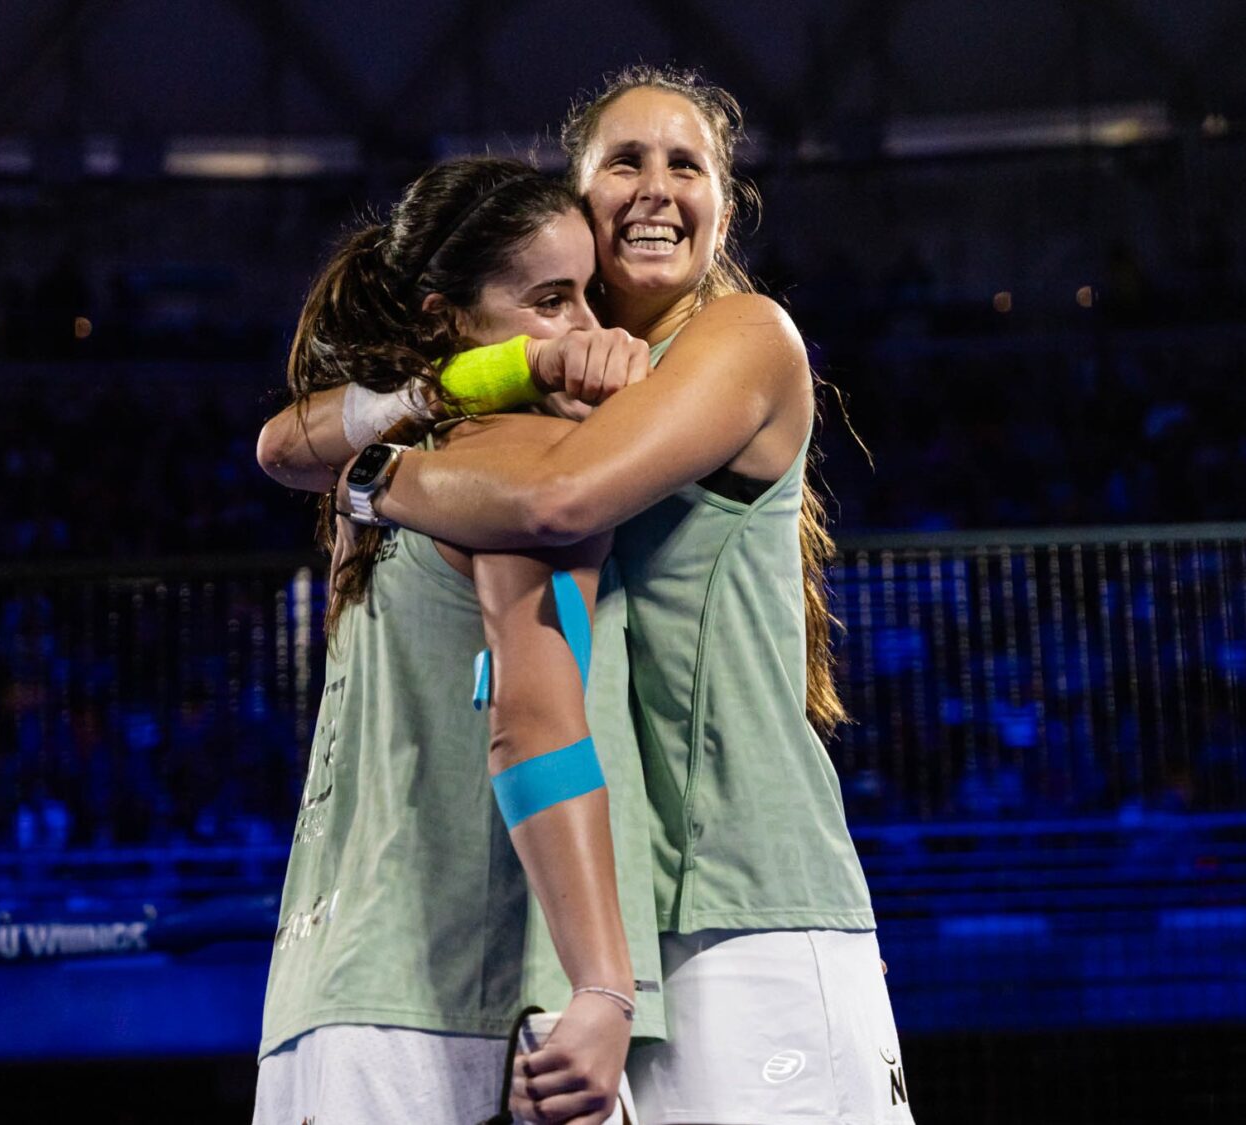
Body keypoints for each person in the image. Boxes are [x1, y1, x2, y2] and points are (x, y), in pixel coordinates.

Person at [260, 66, 913, 1125]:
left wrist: (377, 480)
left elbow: (554, 502)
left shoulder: (743, 336)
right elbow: (284, 438)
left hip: (747, 887)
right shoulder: (535, 386)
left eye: (684, 164)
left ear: (722, 203)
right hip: (605, 917)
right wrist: (461, 385)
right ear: (575, 199)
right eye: (624, 162)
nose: (655, 188)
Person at [251, 156, 665, 1125]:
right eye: (551, 302)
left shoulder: (391, 460)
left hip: (328, 1004)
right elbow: (533, 726)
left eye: (590, 299)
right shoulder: (518, 458)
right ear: (448, 317)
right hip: (456, 1011)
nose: (587, 335)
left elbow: (279, 446)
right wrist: (604, 986)